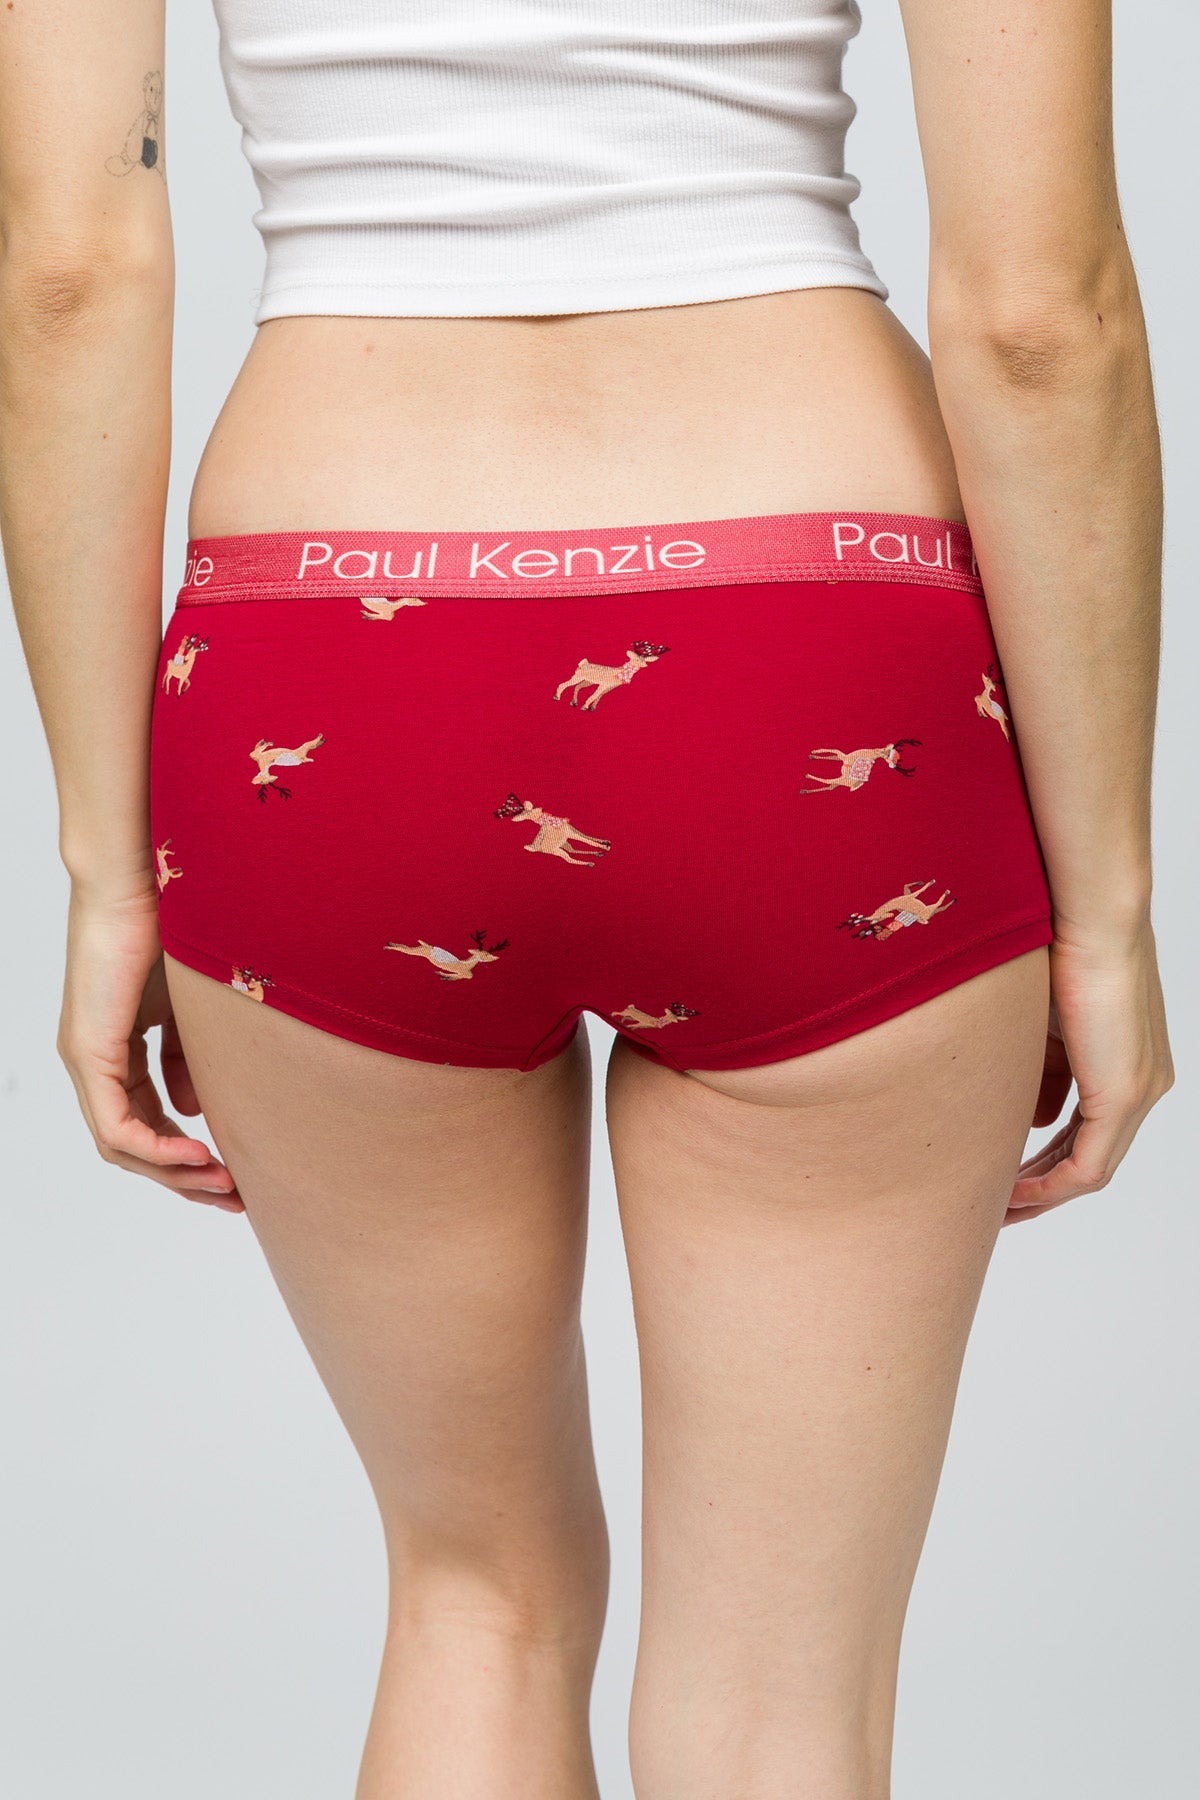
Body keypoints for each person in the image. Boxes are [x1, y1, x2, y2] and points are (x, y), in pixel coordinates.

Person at [0, 2, 1174, 1794]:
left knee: (475, 1600)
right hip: (805, 634)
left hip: (337, 661)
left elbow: (70, 271)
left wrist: (105, 871)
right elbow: (1042, 316)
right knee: (779, 1698)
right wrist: (1108, 906)